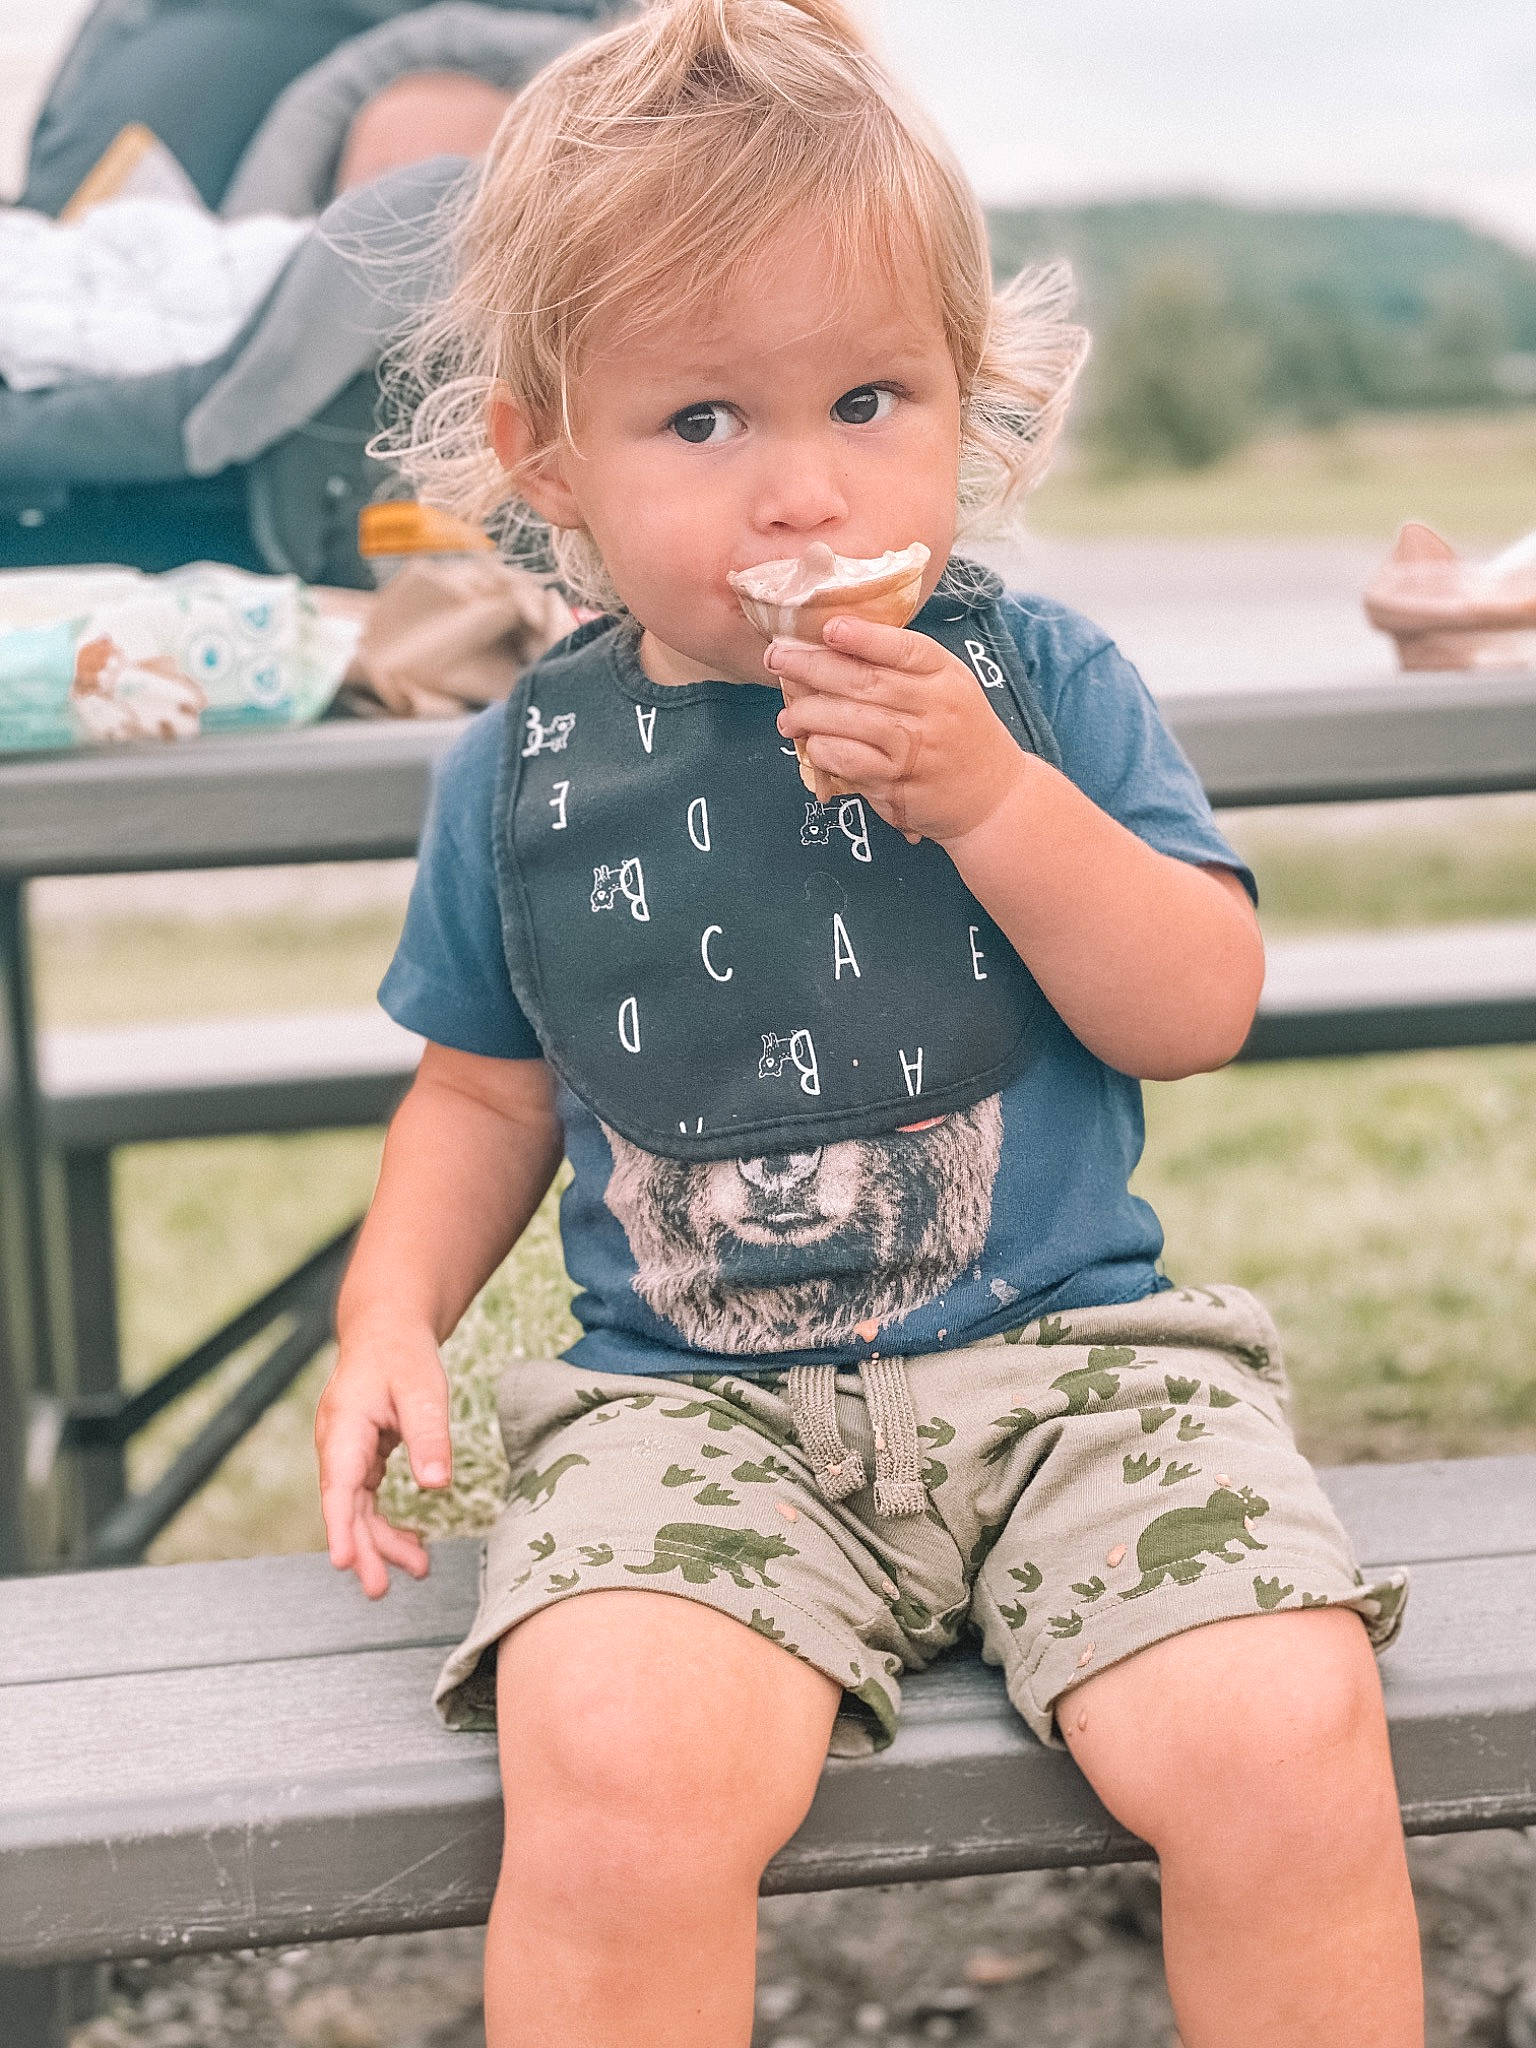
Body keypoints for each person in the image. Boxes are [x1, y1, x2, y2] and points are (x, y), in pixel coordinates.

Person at [314, 3, 1421, 2042]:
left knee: (1282, 1733)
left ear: (965, 402)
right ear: (547, 457)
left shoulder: (1043, 682)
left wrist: (996, 801)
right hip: (689, 1415)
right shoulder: (524, 766)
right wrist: (391, 1314)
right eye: (703, 421)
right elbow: (480, 1092)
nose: (803, 493)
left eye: (867, 398)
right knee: (618, 1769)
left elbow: (1197, 1006)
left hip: (1080, 1378)